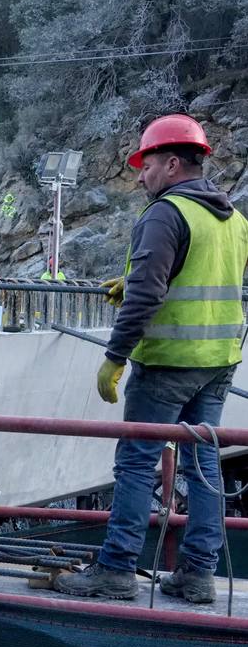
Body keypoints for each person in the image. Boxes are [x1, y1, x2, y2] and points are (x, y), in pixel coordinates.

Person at [55, 114, 248, 604]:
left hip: (166, 363)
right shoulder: (234, 219)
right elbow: (204, 280)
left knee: (137, 464)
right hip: (218, 362)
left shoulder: (166, 214)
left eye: (147, 165)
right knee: (203, 463)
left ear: (172, 163)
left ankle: (116, 570)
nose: (141, 176)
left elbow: (145, 296)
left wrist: (114, 357)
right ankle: (198, 574)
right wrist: (144, 280)